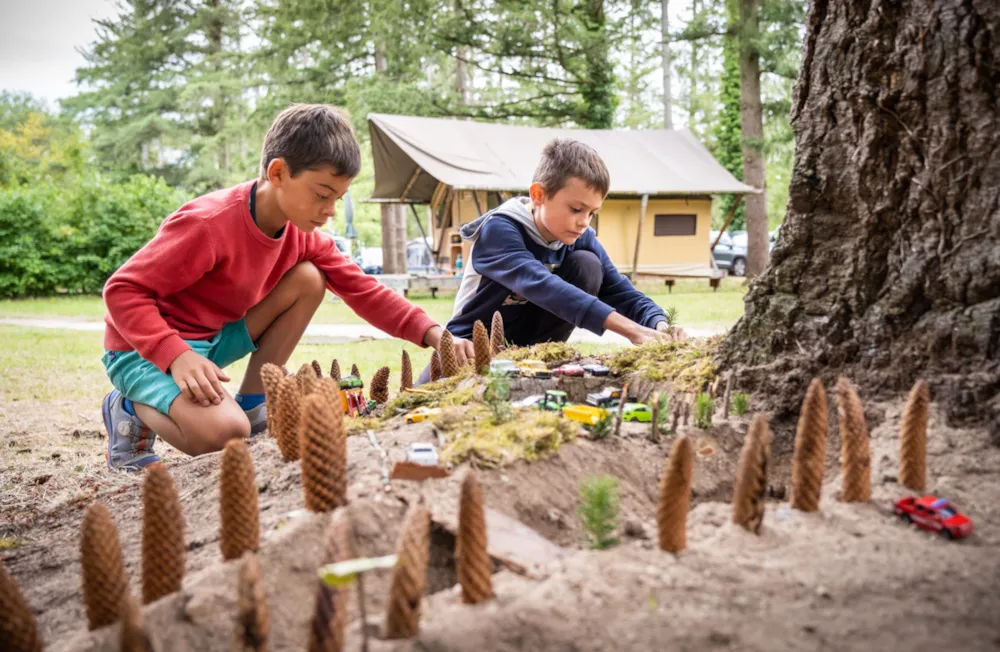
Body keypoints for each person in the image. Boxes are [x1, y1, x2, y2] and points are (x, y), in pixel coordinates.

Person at [101, 104, 472, 471]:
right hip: (144, 351)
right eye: (322, 194)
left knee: (311, 277)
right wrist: (175, 354)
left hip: (211, 343)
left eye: (337, 199)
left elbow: (364, 290)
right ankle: (129, 408)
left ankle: (254, 400)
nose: (329, 210)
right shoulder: (207, 223)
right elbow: (122, 291)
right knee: (227, 434)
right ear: (278, 172)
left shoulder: (303, 235)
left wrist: (436, 335)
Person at [417, 139, 679, 384]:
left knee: (587, 264)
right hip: (471, 346)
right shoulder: (499, 230)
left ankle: (540, 360)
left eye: (592, 213)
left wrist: (660, 325)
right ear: (538, 195)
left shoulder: (581, 238)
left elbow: (620, 290)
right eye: (576, 209)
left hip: (530, 347)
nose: (584, 222)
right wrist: (631, 330)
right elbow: (543, 286)